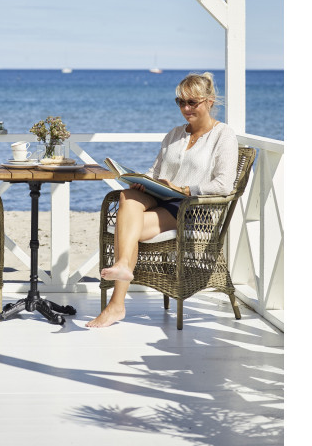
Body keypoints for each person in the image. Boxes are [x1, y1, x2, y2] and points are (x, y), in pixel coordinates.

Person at [86, 72, 239, 328]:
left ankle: (116, 304)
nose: (186, 108)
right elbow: (155, 172)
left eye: (192, 102)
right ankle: (122, 270)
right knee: (127, 195)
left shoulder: (223, 135)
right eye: (181, 102)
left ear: (210, 101)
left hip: (191, 208)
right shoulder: (174, 134)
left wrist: (185, 189)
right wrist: (140, 180)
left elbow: (224, 184)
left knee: (126, 226)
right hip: (161, 197)